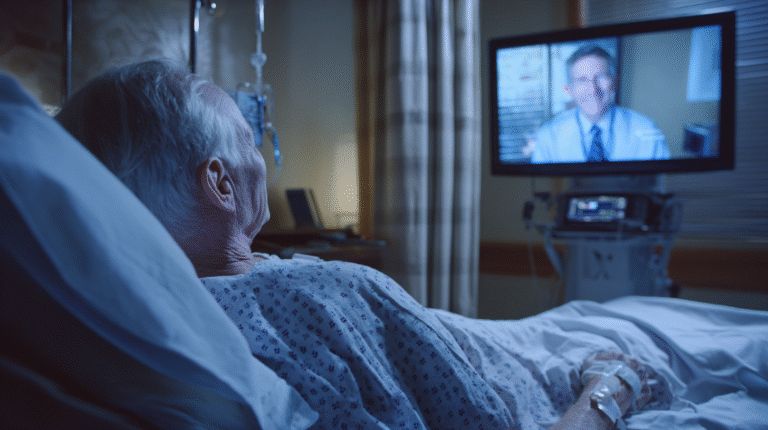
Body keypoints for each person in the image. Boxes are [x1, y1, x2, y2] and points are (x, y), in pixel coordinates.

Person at [56, 60, 671, 429]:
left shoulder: (111, 325)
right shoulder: (328, 292)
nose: (262, 160)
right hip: (567, 373)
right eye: (249, 141)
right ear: (219, 184)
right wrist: (608, 389)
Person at [530, 44, 670, 163]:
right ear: (570, 90)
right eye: (582, 80)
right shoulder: (548, 136)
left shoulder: (646, 129)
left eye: (601, 76)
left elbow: (663, 182)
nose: (593, 89)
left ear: (614, 83)